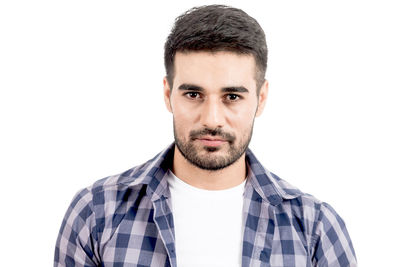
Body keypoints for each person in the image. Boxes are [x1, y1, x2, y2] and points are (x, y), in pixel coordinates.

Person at [54, 5, 357, 267]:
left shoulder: (315, 228)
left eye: (232, 97)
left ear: (261, 98)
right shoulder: (96, 212)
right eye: (193, 94)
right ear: (167, 94)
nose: (212, 119)